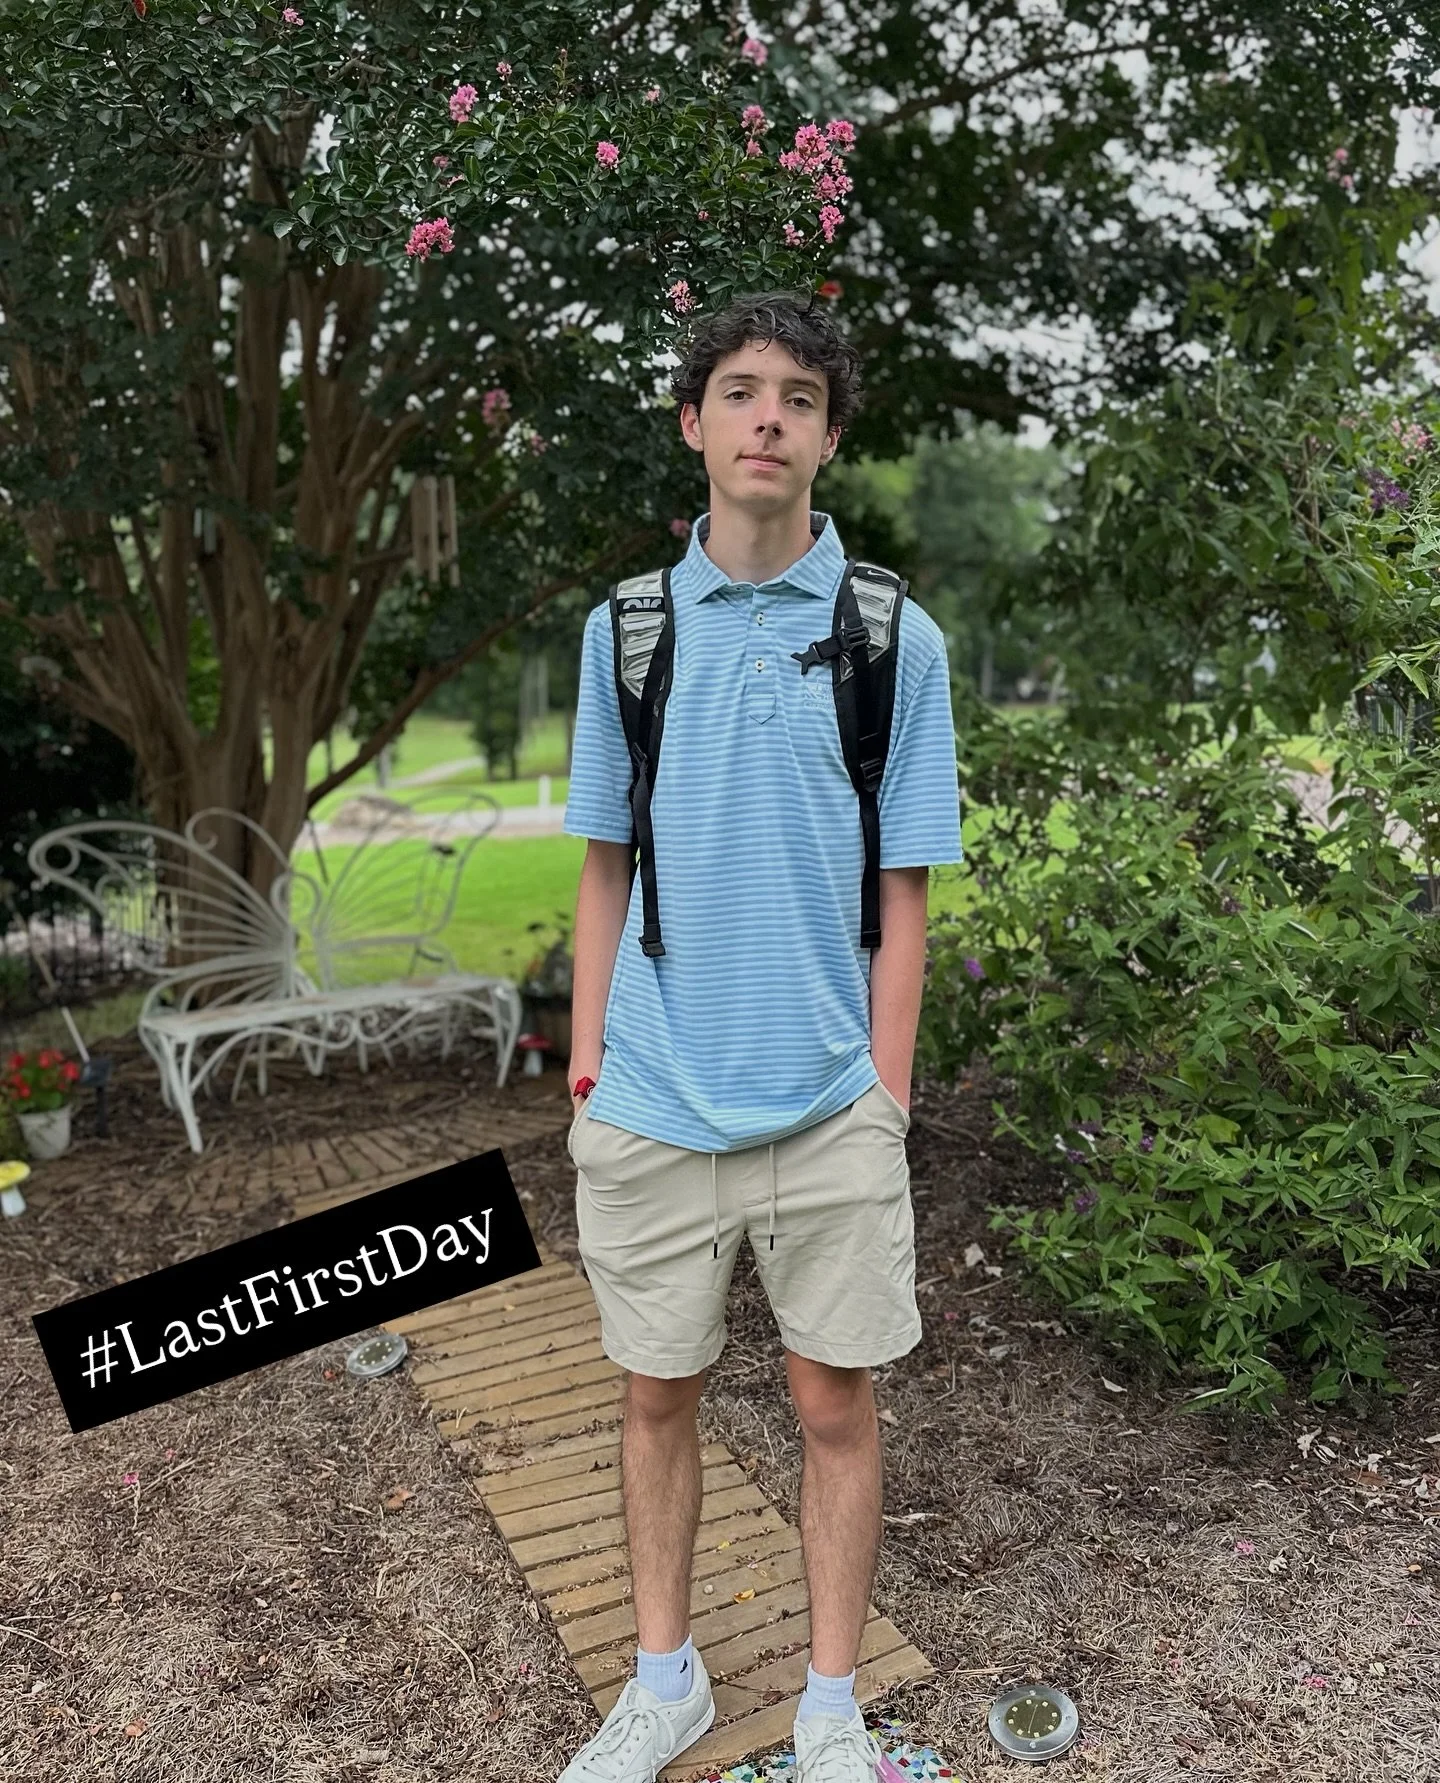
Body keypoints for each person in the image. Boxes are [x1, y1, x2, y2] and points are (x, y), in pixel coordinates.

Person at [556, 289, 963, 1783]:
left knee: (830, 1403)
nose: (768, 416)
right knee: (654, 1393)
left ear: (830, 437)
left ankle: (833, 1706)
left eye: (798, 395)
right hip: (656, 1095)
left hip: (826, 1106)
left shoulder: (891, 637)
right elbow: (605, 861)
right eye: (740, 390)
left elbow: (905, 892)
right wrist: (589, 1061)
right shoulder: (627, 633)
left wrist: (886, 1091)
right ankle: (661, 1680)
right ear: (695, 422)